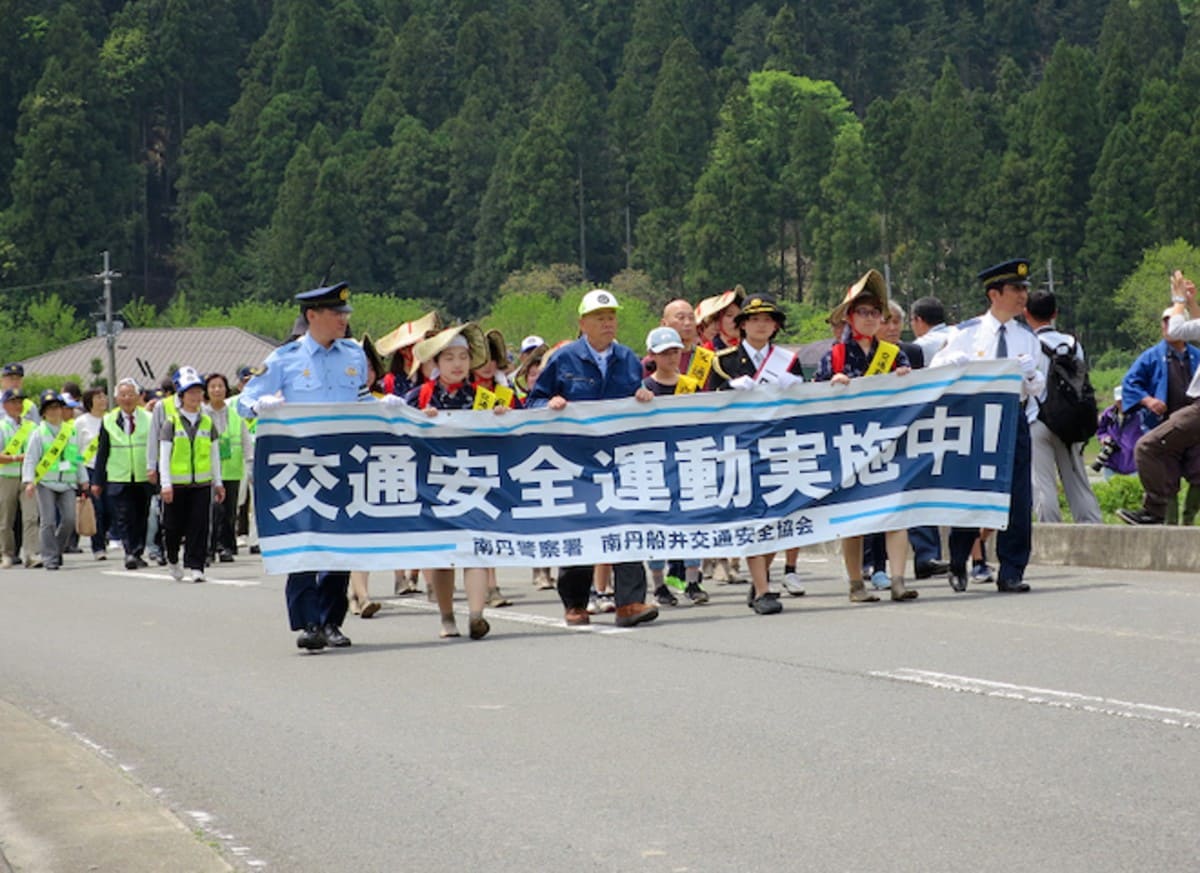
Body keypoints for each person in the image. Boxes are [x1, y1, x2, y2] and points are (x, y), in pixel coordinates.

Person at [238, 282, 374, 652]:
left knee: (339, 542)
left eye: (346, 314)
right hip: (301, 464)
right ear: (312, 316)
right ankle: (308, 621)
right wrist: (261, 404)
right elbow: (245, 400)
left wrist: (385, 406)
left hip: (345, 461)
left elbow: (361, 398)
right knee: (303, 542)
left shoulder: (354, 355)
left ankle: (331, 620)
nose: (344, 320)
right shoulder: (285, 358)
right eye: (336, 314)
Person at [526, 289, 659, 629]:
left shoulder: (628, 358)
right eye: (600, 318)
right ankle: (575, 603)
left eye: (612, 317)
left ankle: (629, 602)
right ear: (582, 323)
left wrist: (643, 395)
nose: (607, 323)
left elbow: (637, 395)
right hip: (575, 460)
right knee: (581, 527)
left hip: (619, 460)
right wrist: (550, 405)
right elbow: (533, 402)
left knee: (626, 522)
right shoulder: (563, 358)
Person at [932, 258, 1045, 593]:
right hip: (976, 422)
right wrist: (953, 364)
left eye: (1025, 289)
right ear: (994, 293)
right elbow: (938, 371)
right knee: (972, 491)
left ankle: (1012, 570)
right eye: (1016, 289)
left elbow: (1038, 389)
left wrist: (1030, 375)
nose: (1023, 295)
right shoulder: (965, 333)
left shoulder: (1027, 338)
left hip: (1014, 419)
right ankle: (958, 559)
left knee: (1018, 498)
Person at [813, 271, 918, 603]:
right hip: (851, 445)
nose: (871, 319)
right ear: (850, 317)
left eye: (876, 313)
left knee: (896, 512)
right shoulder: (835, 357)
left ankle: (899, 580)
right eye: (864, 312)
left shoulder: (893, 353)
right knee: (853, 517)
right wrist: (833, 386)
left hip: (889, 443)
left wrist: (904, 379)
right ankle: (856, 584)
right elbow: (814, 401)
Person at [406, 323, 508, 639]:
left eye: (463, 357)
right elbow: (395, 432)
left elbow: (512, 436)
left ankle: (477, 615)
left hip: (475, 484)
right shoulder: (418, 396)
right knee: (443, 555)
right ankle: (447, 617)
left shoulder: (486, 398)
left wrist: (504, 419)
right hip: (434, 486)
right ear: (436, 363)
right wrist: (420, 422)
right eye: (449, 357)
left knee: (477, 548)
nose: (457, 364)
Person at [707, 292, 805, 614]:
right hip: (742, 449)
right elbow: (702, 406)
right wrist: (728, 392)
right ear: (742, 325)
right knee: (754, 517)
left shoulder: (788, 361)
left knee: (779, 518)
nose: (761, 325)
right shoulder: (723, 362)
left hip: (780, 447)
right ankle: (764, 590)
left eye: (768, 320)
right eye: (754, 319)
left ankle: (759, 577)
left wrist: (800, 390)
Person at [1118, 271, 1200, 525]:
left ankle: (1161, 513)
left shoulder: (1194, 353)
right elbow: (1130, 383)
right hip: (1170, 418)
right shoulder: (1152, 356)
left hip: (1192, 417)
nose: (1168, 327)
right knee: (1167, 471)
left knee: (1195, 472)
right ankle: (1165, 517)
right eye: (1164, 322)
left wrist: (1179, 299)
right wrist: (1147, 400)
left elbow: (1185, 327)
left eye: (1170, 321)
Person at [641, 326, 709, 606]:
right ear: (652, 356)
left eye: (675, 351)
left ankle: (692, 581)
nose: (671, 357)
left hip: (687, 460)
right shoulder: (644, 388)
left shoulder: (691, 385)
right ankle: (659, 586)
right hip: (654, 464)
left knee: (693, 522)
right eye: (664, 353)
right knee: (656, 524)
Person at [1023, 289, 1102, 524]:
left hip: (1038, 418)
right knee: (1077, 479)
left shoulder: (1029, 344)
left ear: (1026, 313)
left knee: (1042, 482)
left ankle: (1051, 530)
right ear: (1055, 313)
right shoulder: (1073, 343)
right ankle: (1091, 526)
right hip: (1071, 419)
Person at [159, 367, 225, 582]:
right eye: (191, 392)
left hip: (202, 484)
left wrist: (218, 482)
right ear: (182, 396)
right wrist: (166, 484)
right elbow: (164, 456)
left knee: (199, 525)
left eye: (198, 392)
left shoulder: (207, 422)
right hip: (177, 485)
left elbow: (214, 454)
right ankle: (172, 558)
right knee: (173, 527)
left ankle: (196, 565)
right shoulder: (171, 423)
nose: (195, 397)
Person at [92, 378, 154, 571]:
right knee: (123, 516)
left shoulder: (149, 419)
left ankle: (137, 551)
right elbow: (102, 452)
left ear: (138, 397)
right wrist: (97, 481)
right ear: (116, 398)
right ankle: (129, 552)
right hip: (119, 476)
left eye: (130, 394)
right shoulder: (109, 420)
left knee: (141, 516)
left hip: (143, 475)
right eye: (123, 395)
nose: (127, 398)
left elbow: (155, 448)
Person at [22, 390, 88, 570]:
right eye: (50, 408)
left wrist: (83, 479)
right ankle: (50, 557)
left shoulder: (70, 431)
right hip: (46, 482)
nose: (54, 412)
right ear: (44, 412)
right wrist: (29, 481)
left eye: (57, 408)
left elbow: (77, 457)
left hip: (67, 482)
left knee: (69, 520)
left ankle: (55, 549)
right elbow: (30, 458)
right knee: (48, 521)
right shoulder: (38, 433)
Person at [203, 372, 252, 563]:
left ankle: (226, 547)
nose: (217, 390)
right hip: (207, 471)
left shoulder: (235, 414)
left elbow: (245, 441)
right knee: (211, 510)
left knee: (229, 511)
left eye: (220, 386)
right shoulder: (201, 414)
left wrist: (249, 463)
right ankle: (209, 547)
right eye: (213, 386)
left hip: (231, 470)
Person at [0, 389, 38, 568]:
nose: (18, 406)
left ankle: (30, 554)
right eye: (13, 402)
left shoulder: (31, 427)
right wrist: (16, 458)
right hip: (6, 476)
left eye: (20, 402)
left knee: (30, 517)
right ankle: (6, 553)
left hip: (28, 476)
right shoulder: (2, 427)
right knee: (6, 518)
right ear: (5, 405)